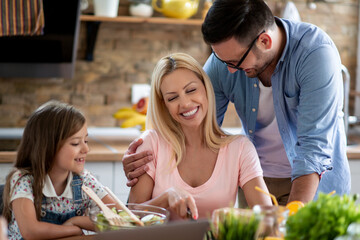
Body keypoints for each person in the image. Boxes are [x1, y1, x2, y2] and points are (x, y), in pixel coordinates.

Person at [123, 0, 351, 205]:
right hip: (256, 178)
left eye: (235, 61)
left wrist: (292, 216)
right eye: (223, 61)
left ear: (264, 40)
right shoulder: (226, 61)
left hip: (314, 185)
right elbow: (196, 124)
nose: (229, 70)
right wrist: (146, 158)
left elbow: (313, 147)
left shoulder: (315, 54)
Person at [128, 53, 271, 220]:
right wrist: (166, 198)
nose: (186, 104)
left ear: (206, 88)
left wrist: (228, 215)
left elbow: (266, 215)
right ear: (164, 105)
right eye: (173, 97)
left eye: (191, 90)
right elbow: (131, 217)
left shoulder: (240, 148)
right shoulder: (151, 143)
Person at [2, 101, 118, 240]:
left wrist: (77, 221)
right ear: (48, 147)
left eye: (85, 141)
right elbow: (31, 231)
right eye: (75, 143)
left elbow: (119, 220)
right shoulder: (23, 180)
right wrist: (71, 230)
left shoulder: (85, 181)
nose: (86, 149)